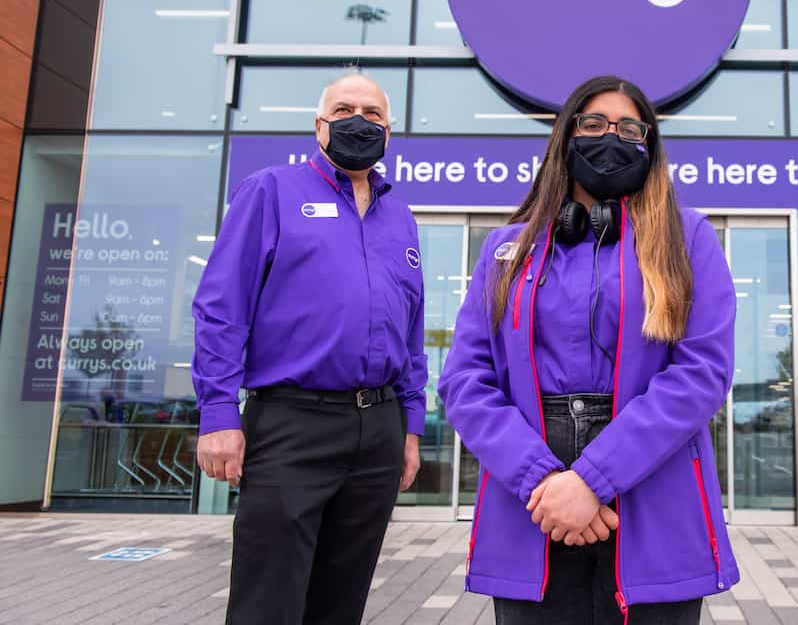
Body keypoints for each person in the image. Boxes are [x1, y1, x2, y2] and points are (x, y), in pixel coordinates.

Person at [438, 76, 739, 625]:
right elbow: (464, 379)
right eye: (594, 124)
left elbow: (702, 373)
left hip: (652, 486)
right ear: (566, 137)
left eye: (629, 129)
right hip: (535, 500)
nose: (611, 137)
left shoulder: (687, 238)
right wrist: (543, 480)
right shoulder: (507, 248)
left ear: (649, 145)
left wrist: (592, 479)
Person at [191, 73, 426, 625]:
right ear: (319, 126)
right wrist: (218, 413)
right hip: (292, 424)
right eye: (343, 109)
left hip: (379, 429)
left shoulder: (400, 216)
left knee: (341, 603)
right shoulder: (270, 191)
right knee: (268, 604)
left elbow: (411, 330)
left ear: (388, 133)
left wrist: (410, 426)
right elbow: (221, 307)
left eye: (372, 114)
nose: (358, 120)